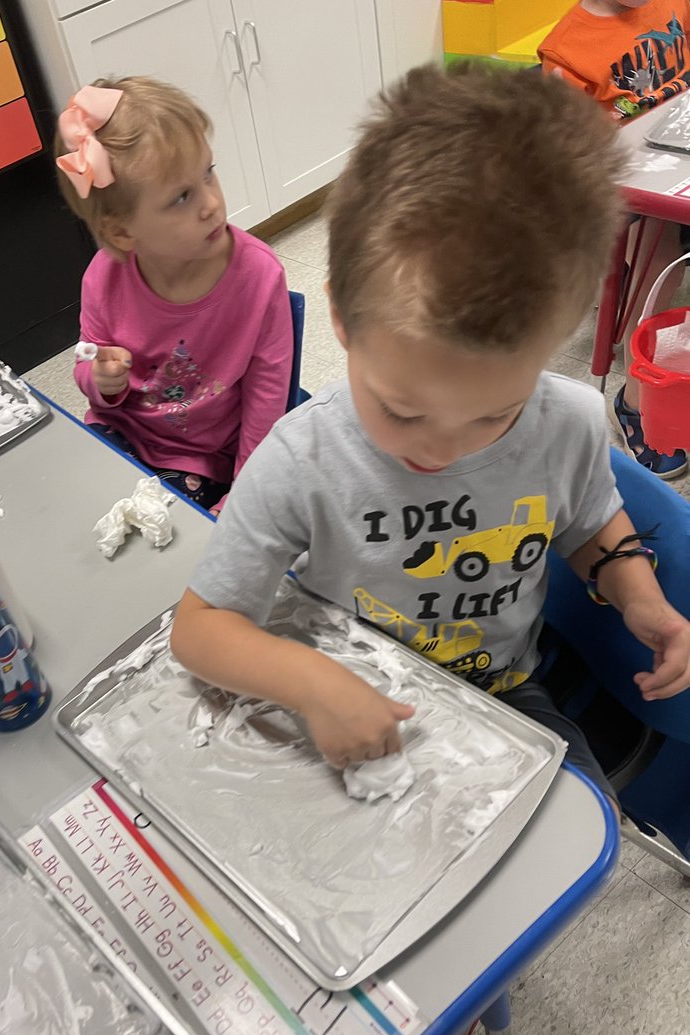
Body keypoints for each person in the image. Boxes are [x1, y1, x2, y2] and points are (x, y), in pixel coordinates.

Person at [170, 63, 690, 805]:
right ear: (343, 324)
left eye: (493, 414)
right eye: (403, 410)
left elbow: (587, 522)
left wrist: (635, 592)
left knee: (567, 827)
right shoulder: (302, 459)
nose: (441, 451)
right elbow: (200, 631)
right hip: (343, 692)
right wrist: (315, 684)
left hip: (503, 697)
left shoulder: (566, 423)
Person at [55, 76, 292, 512]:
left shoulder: (258, 277)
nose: (211, 203)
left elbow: (267, 399)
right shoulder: (103, 278)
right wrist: (101, 381)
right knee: (76, 506)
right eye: (182, 196)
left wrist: (245, 493)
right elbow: (88, 366)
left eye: (208, 173)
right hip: (120, 432)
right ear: (122, 231)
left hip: (198, 458)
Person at [540, 0, 690, 479]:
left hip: (675, 150)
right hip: (618, 187)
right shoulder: (567, 51)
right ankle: (634, 397)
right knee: (655, 251)